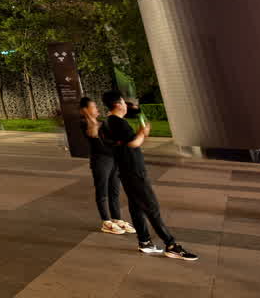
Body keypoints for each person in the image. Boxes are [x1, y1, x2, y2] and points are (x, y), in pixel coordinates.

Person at [100, 91, 198, 261]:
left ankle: (145, 242)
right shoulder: (119, 123)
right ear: (118, 104)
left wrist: (137, 122)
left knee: (136, 207)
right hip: (134, 171)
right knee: (151, 207)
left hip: (124, 170)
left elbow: (121, 143)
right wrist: (143, 132)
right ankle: (171, 245)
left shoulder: (107, 123)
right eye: (123, 102)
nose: (125, 105)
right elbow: (133, 143)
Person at [80, 97, 132, 236]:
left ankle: (117, 218)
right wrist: (88, 116)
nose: (97, 109)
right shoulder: (85, 123)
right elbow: (93, 134)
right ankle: (106, 221)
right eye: (93, 107)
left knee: (114, 191)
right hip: (101, 162)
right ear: (85, 110)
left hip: (113, 159)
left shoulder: (102, 122)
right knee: (102, 192)